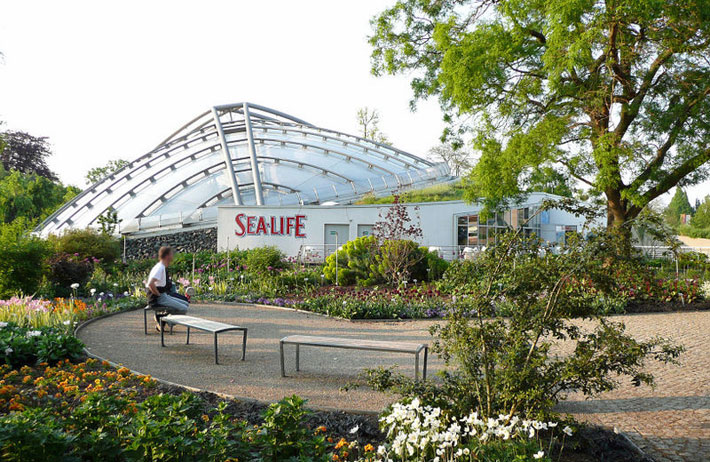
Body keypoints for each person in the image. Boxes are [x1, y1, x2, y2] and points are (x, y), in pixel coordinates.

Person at [146, 246, 189, 331]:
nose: (173, 256)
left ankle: (162, 319)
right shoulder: (160, 268)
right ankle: (162, 319)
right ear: (167, 256)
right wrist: (157, 294)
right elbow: (150, 284)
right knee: (183, 308)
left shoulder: (161, 266)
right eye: (171, 254)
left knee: (186, 304)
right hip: (158, 298)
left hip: (163, 295)